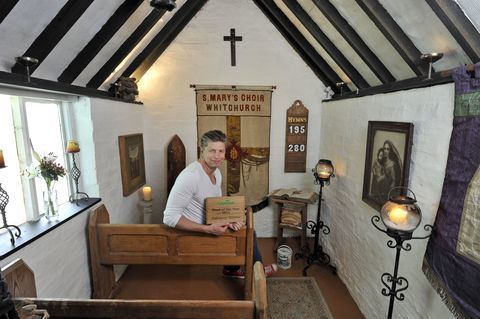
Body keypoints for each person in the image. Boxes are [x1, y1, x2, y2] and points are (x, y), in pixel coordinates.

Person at [163, 129, 277, 278]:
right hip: (195, 235)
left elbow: (217, 207)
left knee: (243, 227)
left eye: (221, 151)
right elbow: (169, 217)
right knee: (249, 233)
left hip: (210, 226)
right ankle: (257, 273)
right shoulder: (190, 177)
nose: (217, 156)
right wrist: (206, 229)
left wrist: (230, 221)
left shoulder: (216, 172)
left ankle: (232, 269)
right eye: (212, 151)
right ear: (202, 151)